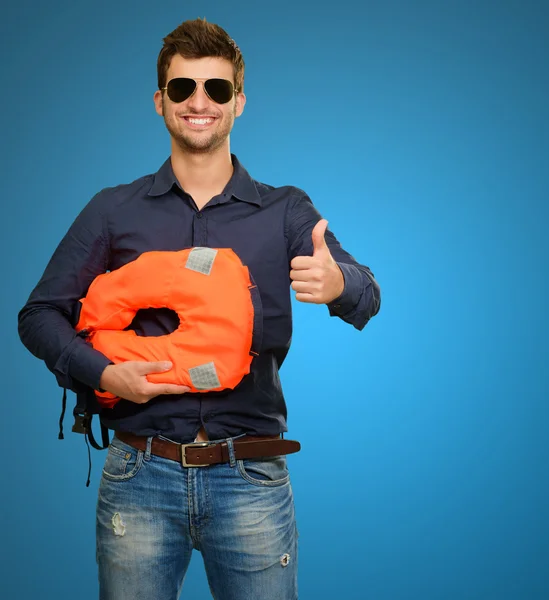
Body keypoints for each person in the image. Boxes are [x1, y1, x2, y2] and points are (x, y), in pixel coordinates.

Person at [18, 17, 380, 600]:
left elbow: (367, 295)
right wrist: (104, 374)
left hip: (251, 479)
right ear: (160, 101)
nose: (199, 102)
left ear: (239, 101)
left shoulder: (285, 211)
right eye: (183, 88)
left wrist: (338, 281)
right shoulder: (113, 210)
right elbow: (38, 316)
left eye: (216, 88)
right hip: (138, 474)